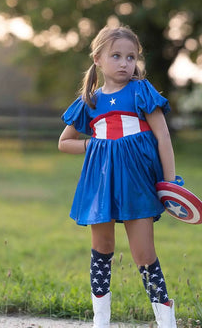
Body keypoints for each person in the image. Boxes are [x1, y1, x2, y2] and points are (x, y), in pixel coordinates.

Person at [58, 25, 181, 328]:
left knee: (144, 254)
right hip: (100, 184)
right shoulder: (91, 100)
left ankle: (167, 321)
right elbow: (64, 142)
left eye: (131, 57)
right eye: (116, 56)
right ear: (98, 58)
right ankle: (101, 321)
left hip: (138, 184)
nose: (125, 63)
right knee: (102, 249)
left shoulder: (141, 91)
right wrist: (92, 144)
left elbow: (163, 137)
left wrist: (170, 183)